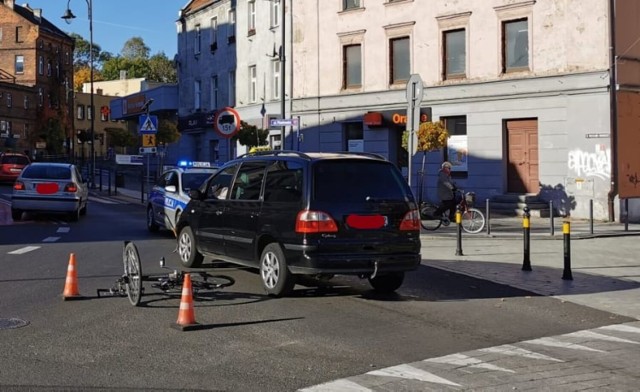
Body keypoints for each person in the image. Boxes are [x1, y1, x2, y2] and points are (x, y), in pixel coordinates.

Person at [434, 161, 457, 226]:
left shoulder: (448, 175)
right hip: (444, 193)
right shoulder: (442, 174)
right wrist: (452, 188)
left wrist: (455, 187)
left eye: (450, 168)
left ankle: (451, 217)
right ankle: (437, 213)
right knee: (448, 204)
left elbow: (451, 182)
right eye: (448, 168)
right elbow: (446, 182)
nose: (449, 169)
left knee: (454, 203)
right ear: (444, 168)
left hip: (448, 193)